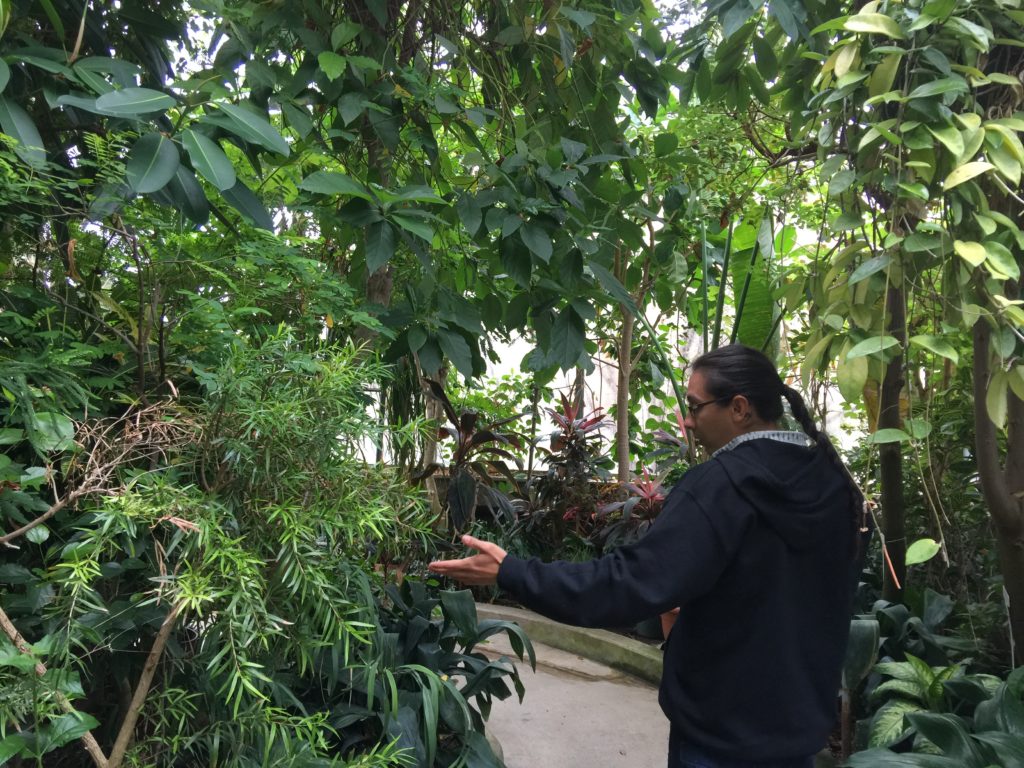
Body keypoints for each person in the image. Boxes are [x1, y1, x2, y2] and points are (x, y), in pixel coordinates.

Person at [429, 344, 867, 768]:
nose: (689, 423)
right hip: (797, 734)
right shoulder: (834, 483)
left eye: (695, 408)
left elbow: (626, 584)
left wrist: (512, 571)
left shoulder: (721, 487)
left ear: (739, 408)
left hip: (720, 738)